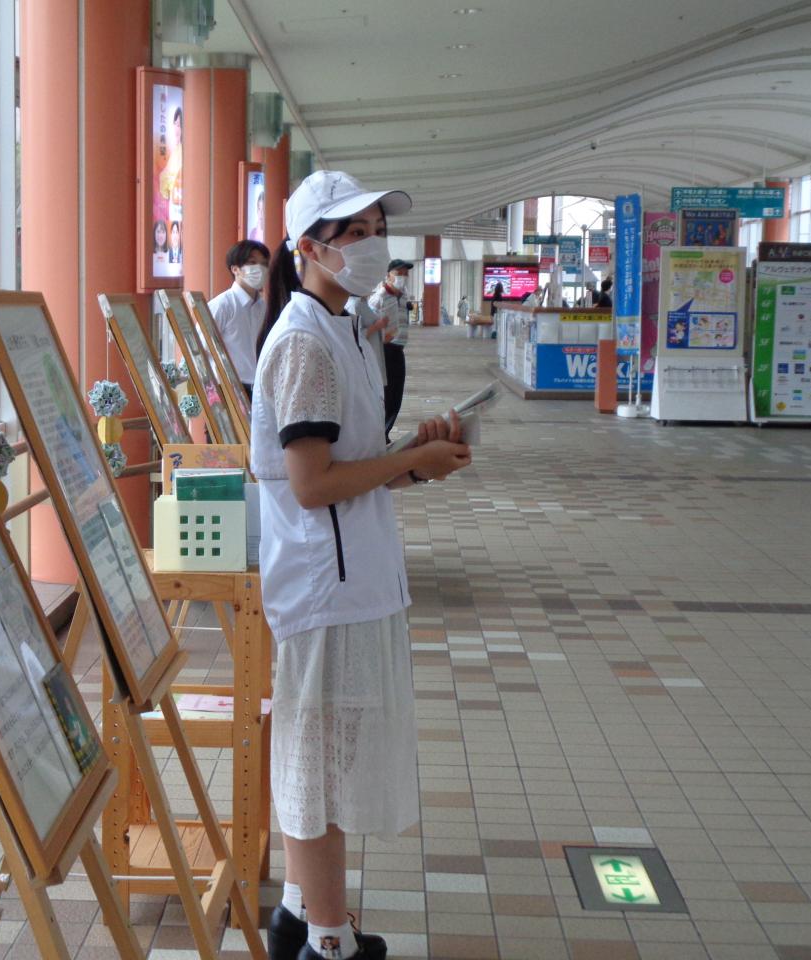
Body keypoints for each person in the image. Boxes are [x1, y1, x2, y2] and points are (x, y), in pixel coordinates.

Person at [253, 170, 471, 960]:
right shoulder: (307, 340)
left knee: (328, 758)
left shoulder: (343, 328)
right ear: (308, 247)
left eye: (377, 226)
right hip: (325, 586)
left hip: (351, 580)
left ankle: (302, 918)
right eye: (354, 232)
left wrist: (415, 457)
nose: (373, 243)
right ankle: (329, 942)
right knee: (319, 767)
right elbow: (313, 486)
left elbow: (352, 466)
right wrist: (401, 461)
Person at [208, 239, 270, 395]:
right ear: (235, 269)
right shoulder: (222, 305)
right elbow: (201, 346)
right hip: (230, 388)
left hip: (261, 386)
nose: (259, 268)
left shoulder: (263, 307)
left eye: (264, 264)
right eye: (252, 262)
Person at [367, 259, 412, 436]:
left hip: (399, 349)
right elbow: (365, 326)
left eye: (405, 274)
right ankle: (379, 434)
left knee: (396, 395)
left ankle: (384, 432)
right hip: (384, 350)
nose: (403, 277)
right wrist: (379, 334)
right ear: (388, 276)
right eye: (398, 274)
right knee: (385, 395)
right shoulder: (379, 298)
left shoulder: (403, 294)